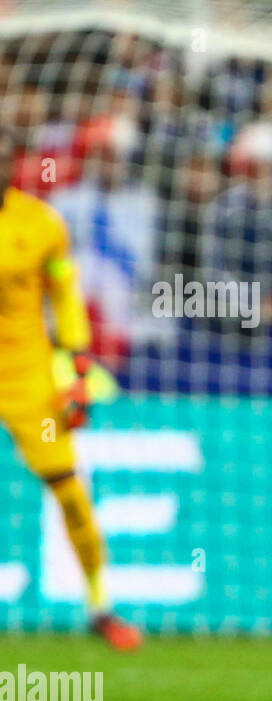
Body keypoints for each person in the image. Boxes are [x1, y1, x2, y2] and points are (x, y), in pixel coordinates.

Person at [0, 128, 141, 650]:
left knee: (70, 491)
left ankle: (101, 607)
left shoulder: (41, 224)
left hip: (27, 374)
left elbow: (64, 292)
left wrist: (77, 360)